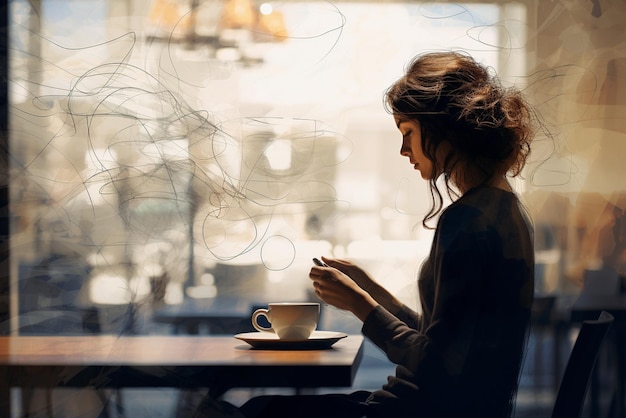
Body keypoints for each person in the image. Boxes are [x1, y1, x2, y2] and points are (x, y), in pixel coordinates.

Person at [197, 50, 538, 418]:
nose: (404, 150)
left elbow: (438, 367)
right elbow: (450, 346)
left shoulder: (467, 219)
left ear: (444, 130)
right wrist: (370, 290)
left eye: (408, 133)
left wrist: (360, 304)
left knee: (252, 411)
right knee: (260, 408)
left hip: (413, 411)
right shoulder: (506, 211)